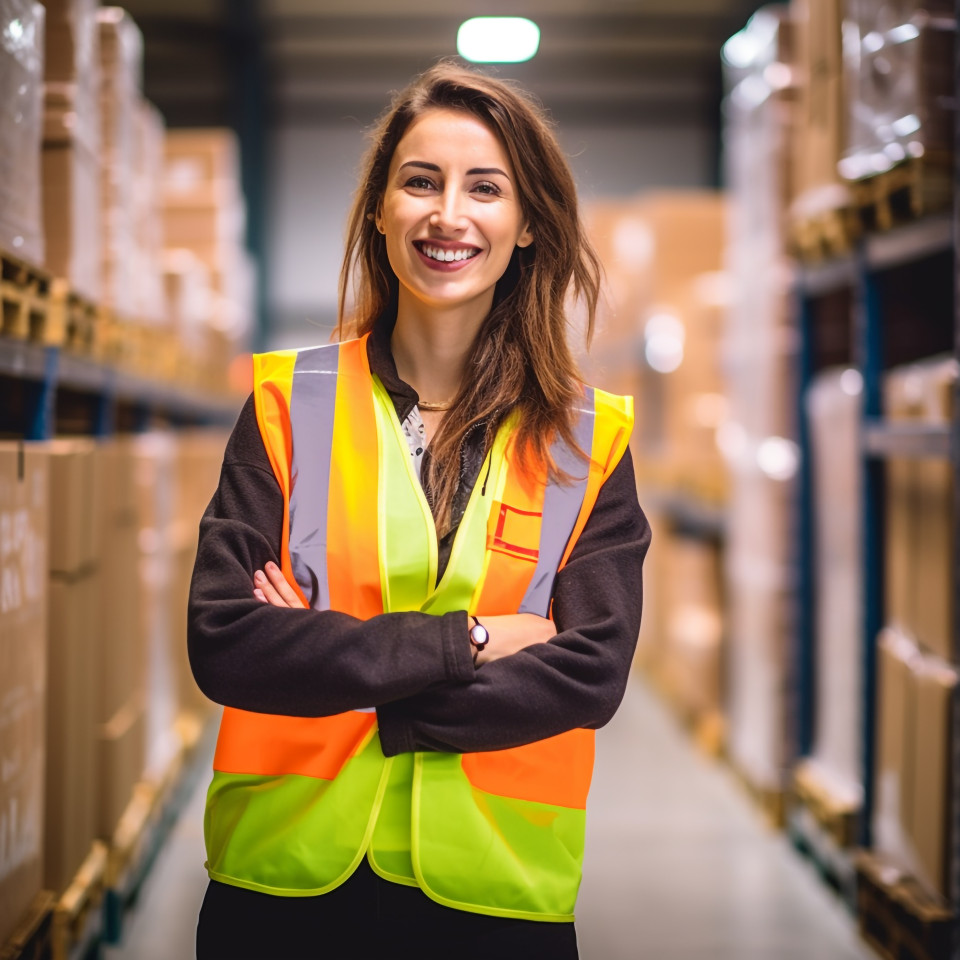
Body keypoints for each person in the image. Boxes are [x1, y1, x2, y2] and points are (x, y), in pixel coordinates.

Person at [189, 61, 650, 960]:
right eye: (420, 182)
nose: (449, 215)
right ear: (379, 210)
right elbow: (228, 642)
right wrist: (474, 641)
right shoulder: (292, 405)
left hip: (493, 898)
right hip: (281, 892)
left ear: (526, 227)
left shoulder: (589, 440)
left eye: (486, 188)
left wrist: (347, 678)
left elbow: (590, 672)